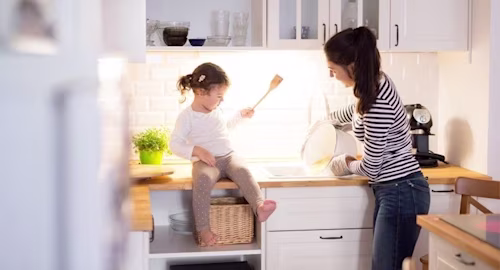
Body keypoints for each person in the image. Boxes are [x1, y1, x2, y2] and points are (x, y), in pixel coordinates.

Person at [324, 27, 431, 270]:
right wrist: (327, 121)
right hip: (395, 189)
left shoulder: (377, 98)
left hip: (402, 190)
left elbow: (372, 166)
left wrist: (343, 163)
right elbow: (356, 112)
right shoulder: (372, 84)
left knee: (386, 267)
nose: (332, 75)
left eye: (333, 69)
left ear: (350, 64)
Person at [169, 62, 277, 246]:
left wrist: (240, 116)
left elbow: (225, 128)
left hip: (228, 156)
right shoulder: (187, 117)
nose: (221, 100)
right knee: (202, 180)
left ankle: (259, 206)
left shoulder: (216, 110)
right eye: (219, 96)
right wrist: (196, 150)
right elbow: (174, 144)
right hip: (206, 162)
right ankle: (203, 229)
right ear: (201, 92)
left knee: (243, 170)